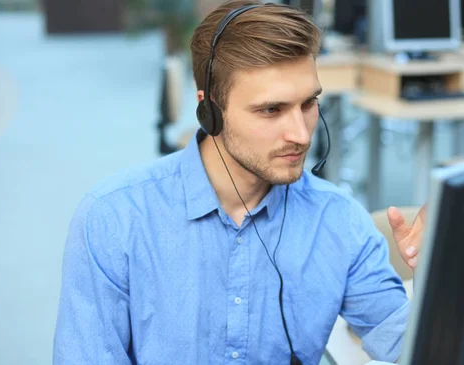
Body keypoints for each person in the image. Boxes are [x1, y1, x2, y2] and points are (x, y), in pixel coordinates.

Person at [52, 1, 425, 364]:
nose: (300, 134)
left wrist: (440, 277)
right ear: (209, 111)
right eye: (271, 110)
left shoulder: (339, 220)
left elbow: (407, 345)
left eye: (308, 104)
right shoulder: (114, 220)